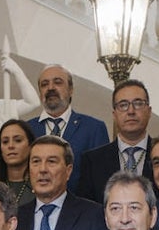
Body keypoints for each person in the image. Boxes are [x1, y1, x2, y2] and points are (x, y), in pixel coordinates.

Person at [27, 64, 109, 192]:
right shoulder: (26, 130)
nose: (50, 88)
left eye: (58, 82)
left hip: (82, 209)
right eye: (44, 84)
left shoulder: (94, 129)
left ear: (71, 90)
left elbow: (101, 181)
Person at [76, 80, 154, 204]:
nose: (131, 111)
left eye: (138, 103)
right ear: (114, 114)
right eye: (123, 105)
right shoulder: (92, 160)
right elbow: (86, 209)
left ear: (149, 112)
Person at [0, 119, 35, 208]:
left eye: (18, 140)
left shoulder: (41, 185)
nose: (11, 146)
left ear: (30, 145)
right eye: (5, 142)